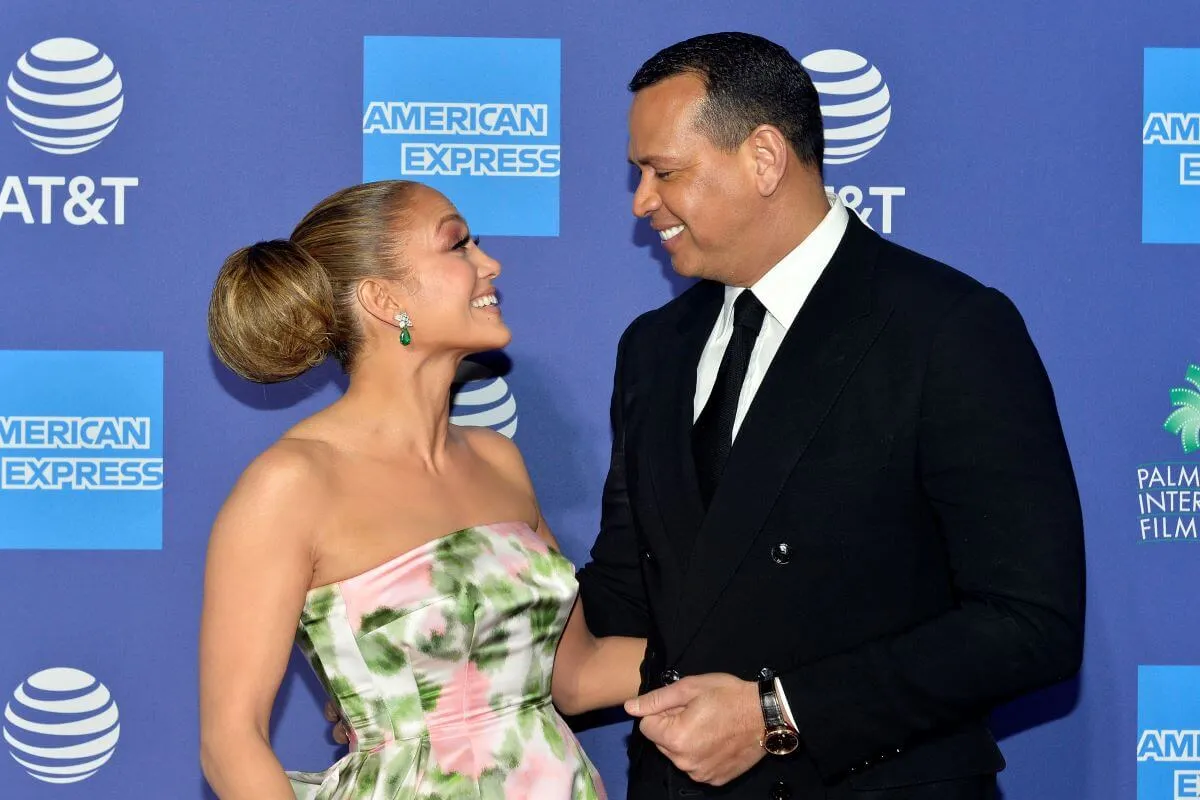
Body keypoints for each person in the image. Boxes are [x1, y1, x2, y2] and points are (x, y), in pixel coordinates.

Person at [573, 32, 1086, 800]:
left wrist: (778, 713)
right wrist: (427, 694)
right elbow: (625, 589)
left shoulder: (943, 327)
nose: (642, 201)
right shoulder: (654, 348)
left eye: (664, 171)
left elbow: (1029, 623)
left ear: (765, 158)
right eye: (639, 173)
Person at [198, 180, 645, 799]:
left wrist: (773, 662)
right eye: (458, 245)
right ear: (383, 299)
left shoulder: (499, 459)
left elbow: (577, 675)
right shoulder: (291, 485)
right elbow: (231, 739)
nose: (490, 264)